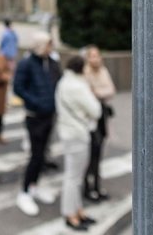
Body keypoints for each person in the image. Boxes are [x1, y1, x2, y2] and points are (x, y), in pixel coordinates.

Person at [14, 31, 61, 217]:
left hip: (50, 115)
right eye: (48, 44)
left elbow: (59, 83)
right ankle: (25, 191)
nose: (51, 48)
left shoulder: (52, 63)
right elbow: (18, 88)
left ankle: (35, 185)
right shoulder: (26, 64)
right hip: (34, 116)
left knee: (43, 155)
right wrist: (36, 102)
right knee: (35, 156)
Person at [57, 55, 101, 231]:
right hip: (78, 134)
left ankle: (78, 210)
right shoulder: (78, 86)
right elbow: (96, 110)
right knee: (73, 177)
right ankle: (70, 214)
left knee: (73, 176)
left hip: (67, 132)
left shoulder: (64, 82)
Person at [82, 45, 116, 203]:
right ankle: (87, 187)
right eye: (92, 56)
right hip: (89, 118)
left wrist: (99, 92)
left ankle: (96, 185)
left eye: (97, 55)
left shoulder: (103, 71)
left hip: (101, 116)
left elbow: (111, 90)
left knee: (98, 152)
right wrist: (101, 92)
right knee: (89, 154)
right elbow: (88, 94)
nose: (95, 59)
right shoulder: (85, 73)